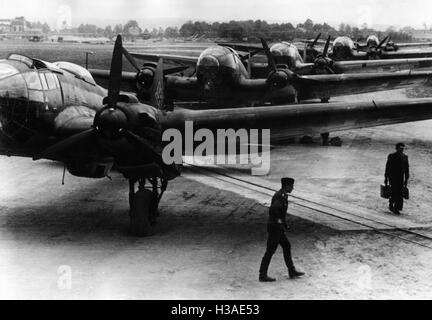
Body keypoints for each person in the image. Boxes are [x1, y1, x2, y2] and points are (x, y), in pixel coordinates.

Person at [259, 177, 305, 282]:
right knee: (270, 251)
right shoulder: (279, 196)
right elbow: (274, 210)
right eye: (291, 186)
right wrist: (279, 222)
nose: (293, 188)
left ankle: (291, 271)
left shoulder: (283, 195)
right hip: (275, 227)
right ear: (286, 186)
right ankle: (262, 275)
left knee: (286, 246)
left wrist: (284, 224)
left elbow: (280, 213)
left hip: (277, 227)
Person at [385, 142, 409, 215]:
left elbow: (406, 169)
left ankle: (396, 207)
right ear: (397, 148)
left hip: (401, 178)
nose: (401, 150)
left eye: (402, 149)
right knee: (395, 192)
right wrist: (386, 178)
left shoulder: (405, 157)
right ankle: (393, 205)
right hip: (393, 177)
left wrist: (406, 178)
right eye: (400, 148)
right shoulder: (392, 156)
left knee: (400, 193)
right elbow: (387, 167)